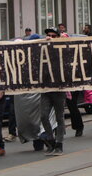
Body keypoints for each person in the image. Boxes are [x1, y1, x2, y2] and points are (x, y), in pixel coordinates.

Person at [37, 27, 68, 156]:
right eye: (48, 35)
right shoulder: (42, 50)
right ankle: (51, 140)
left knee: (60, 117)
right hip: (46, 88)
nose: (50, 37)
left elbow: (68, 44)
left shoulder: (62, 48)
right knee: (43, 115)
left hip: (59, 88)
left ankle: (59, 144)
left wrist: (57, 42)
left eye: (53, 35)